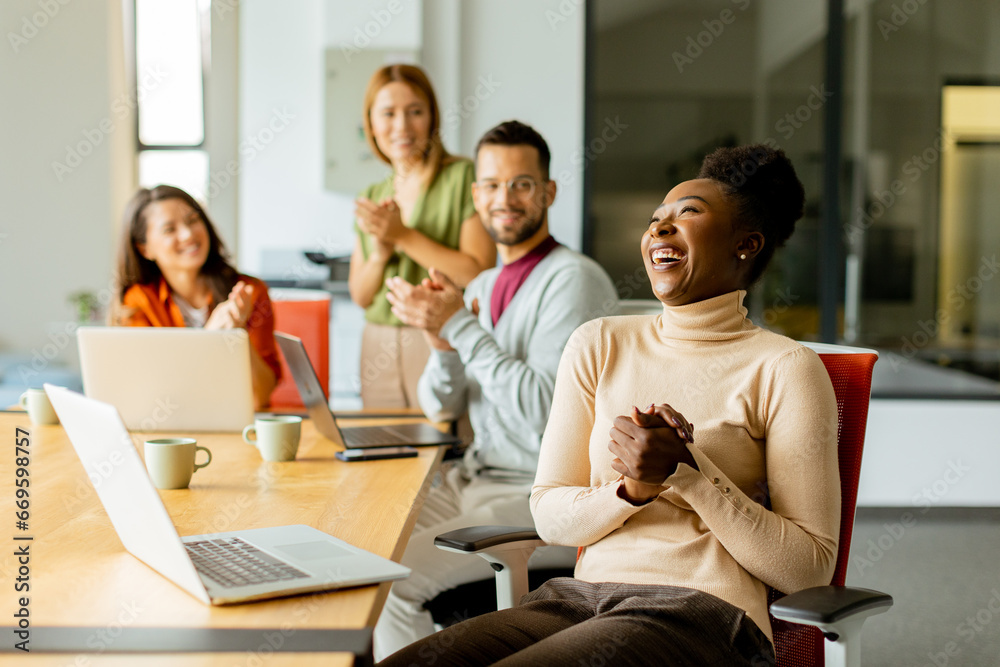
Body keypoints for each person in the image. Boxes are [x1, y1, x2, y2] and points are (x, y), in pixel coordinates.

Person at [377, 144, 841, 666]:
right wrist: (631, 491)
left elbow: (809, 569)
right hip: (575, 601)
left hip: (700, 614)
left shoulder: (784, 367)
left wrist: (688, 472)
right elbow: (550, 516)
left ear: (746, 244)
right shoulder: (599, 343)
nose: (660, 229)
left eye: (687, 213)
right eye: (655, 219)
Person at [373, 120, 620, 658]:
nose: (503, 199)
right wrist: (440, 342)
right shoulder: (482, 286)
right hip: (476, 480)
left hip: (537, 497)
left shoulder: (572, 280)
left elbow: (541, 413)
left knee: (387, 584)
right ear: (475, 194)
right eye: (489, 185)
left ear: (548, 192)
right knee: (366, 549)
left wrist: (461, 328)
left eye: (521, 184)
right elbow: (443, 405)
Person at [349, 64, 496, 408]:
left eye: (415, 112)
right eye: (388, 114)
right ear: (371, 123)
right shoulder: (371, 194)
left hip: (438, 338)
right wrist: (381, 254)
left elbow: (477, 271)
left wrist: (401, 235)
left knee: (442, 449)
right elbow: (360, 294)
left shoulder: (462, 176)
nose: (401, 126)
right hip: (377, 342)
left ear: (432, 117)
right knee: (380, 451)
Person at [115, 185, 281, 410]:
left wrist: (239, 335)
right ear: (145, 249)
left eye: (193, 220)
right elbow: (152, 398)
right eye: (169, 229)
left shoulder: (250, 290)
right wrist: (210, 339)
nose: (188, 234)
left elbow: (259, 399)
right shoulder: (138, 303)